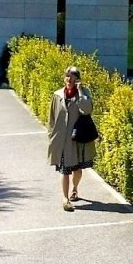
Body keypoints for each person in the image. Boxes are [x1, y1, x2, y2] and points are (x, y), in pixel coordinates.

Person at [47, 66, 95, 211]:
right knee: (64, 170)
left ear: (77, 80)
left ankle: (75, 189)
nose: (69, 80)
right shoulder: (57, 95)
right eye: (67, 77)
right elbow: (51, 117)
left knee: (78, 170)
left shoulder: (84, 94)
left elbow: (87, 110)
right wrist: (51, 135)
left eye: (72, 78)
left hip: (77, 140)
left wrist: (80, 92)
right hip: (62, 140)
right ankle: (65, 198)